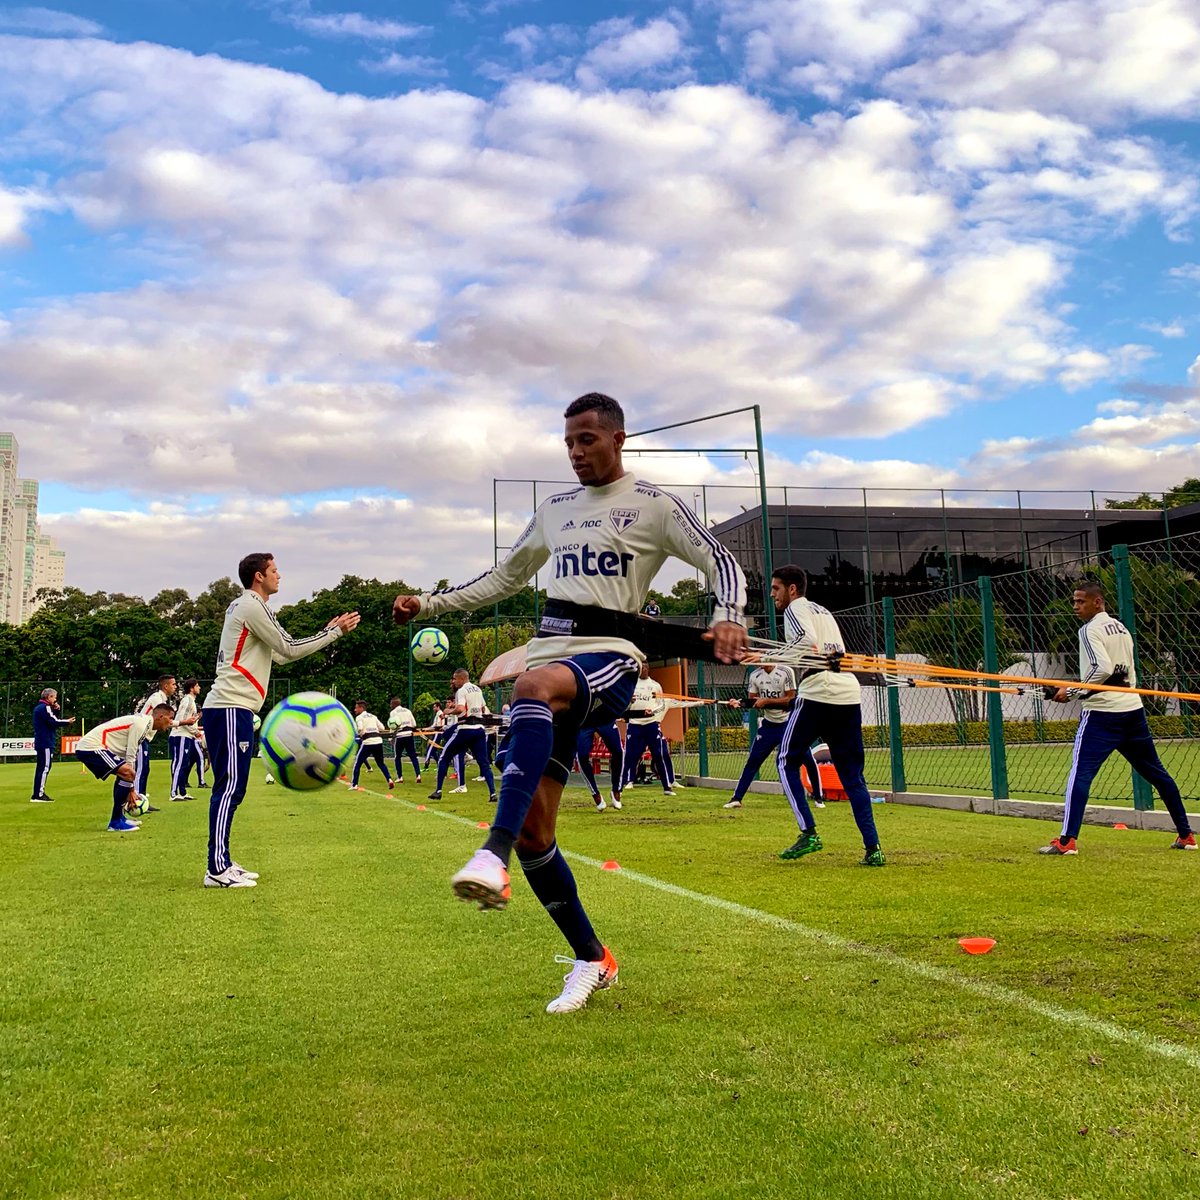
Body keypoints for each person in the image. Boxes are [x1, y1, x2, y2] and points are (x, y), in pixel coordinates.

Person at [393, 391, 747, 1013]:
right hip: (551, 661)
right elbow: (504, 577)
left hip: (610, 659)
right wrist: (429, 603)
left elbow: (720, 559)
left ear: (617, 439)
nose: (576, 453)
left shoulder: (655, 505)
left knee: (531, 688)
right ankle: (592, 959)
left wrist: (729, 616)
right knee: (538, 834)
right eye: (568, 444)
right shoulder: (554, 510)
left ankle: (490, 853)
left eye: (587, 440)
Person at [201, 552, 359, 888]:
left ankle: (222, 860)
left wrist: (326, 632)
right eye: (274, 570)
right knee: (229, 788)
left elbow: (280, 656)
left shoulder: (250, 608)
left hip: (234, 709)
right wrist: (334, 633)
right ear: (258, 576)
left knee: (233, 788)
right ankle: (216, 868)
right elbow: (289, 647)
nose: (279, 575)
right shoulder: (251, 605)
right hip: (229, 706)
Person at [1041, 581, 1195, 855]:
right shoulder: (1122, 629)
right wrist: (1074, 690)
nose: (1075, 606)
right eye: (1074, 601)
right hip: (1132, 710)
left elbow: (1102, 668)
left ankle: (1067, 841)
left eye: (1081, 601)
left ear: (1098, 602)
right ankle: (1186, 836)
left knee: (1080, 774)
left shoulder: (1089, 630)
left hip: (1102, 714)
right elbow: (1121, 672)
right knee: (1157, 774)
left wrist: (1072, 691)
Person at [773, 565, 885, 866]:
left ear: (792, 589)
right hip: (847, 692)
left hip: (818, 690)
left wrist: (772, 656)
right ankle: (873, 848)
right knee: (853, 776)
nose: (772, 595)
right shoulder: (823, 611)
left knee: (785, 760)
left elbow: (806, 641)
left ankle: (808, 832)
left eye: (776, 588)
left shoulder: (795, 608)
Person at [723, 663, 823, 810]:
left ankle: (818, 797)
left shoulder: (786, 671)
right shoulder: (755, 676)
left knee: (807, 759)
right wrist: (739, 703)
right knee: (753, 761)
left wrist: (766, 701)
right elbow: (754, 702)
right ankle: (736, 799)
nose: (759, 661)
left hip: (789, 724)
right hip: (769, 726)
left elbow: (790, 699)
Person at [75, 705, 175, 832]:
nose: (171, 722)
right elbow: (130, 757)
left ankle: (119, 818)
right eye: (170, 718)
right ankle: (115, 823)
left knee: (125, 774)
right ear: (161, 717)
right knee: (128, 773)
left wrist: (130, 786)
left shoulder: (144, 723)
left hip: (97, 747)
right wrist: (131, 789)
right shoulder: (141, 725)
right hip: (91, 747)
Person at [429, 669, 497, 801]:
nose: (453, 681)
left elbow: (460, 709)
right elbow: (483, 708)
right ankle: (493, 793)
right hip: (479, 729)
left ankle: (438, 791)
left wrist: (449, 711)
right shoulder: (478, 689)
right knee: (483, 762)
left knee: (444, 757)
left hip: (465, 729)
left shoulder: (461, 690)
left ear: (461, 678)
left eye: (455, 678)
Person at [622, 664, 674, 795]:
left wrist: (653, 711)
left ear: (648, 669)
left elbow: (661, 704)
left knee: (658, 754)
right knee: (630, 755)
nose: (643, 670)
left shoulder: (655, 685)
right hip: (634, 724)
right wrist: (629, 701)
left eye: (645, 667)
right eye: (640, 667)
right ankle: (628, 781)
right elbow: (623, 705)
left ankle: (667, 786)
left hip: (650, 723)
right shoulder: (631, 684)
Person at [135, 674, 177, 809]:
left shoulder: (162, 699)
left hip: (145, 738)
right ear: (165, 686)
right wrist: (182, 722)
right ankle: (136, 801)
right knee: (141, 769)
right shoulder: (157, 699)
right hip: (140, 736)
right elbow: (164, 720)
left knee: (145, 769)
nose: (176, 687)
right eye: (173, 684)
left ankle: (142, 800)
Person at [30, 688, 74, 803]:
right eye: (54, 697)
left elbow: (50, 721)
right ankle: (39, 795)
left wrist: (56, 710)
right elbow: (54, 722)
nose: (55, 699)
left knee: (41, 768)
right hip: (45, 741)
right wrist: (67, 722)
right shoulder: (45, 707)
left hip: (42, 741)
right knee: (45, 768)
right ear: (48, 697)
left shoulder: (40, 708)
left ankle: (37, 794)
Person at [574, 722, 625, 810]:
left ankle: (616, 790)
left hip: (605, 719)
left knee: (618, 752)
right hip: (585, 722)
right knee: (581, 755)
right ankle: (595, 793)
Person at [169, 678, 203, 801]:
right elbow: (182, 720)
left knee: (183, 764)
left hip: (186, 736)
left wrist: (195, 730)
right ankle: (173, 793)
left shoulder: (192, 701)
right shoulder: (188, 700)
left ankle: (182, 792)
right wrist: (195, 732)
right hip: (180, 735)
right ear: (192, 688)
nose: (199, 688)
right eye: (197, 686)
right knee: (179, 764)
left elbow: (190, 722)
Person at [351, 701, 394, 790]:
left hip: (368, 742)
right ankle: (389, 779)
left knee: (357, 764)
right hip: (378, 741)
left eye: (356, 708)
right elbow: (382, 727)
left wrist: (360, 733)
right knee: (381, 763)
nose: (355, 710)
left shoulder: (359, 717)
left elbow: (360, 728)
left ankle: (354, 785)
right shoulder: (373, 716)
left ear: (361, 708)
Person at [387, 696, 422, 783]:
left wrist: (390, 738)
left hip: (400, 736)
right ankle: (418, 775)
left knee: (397, 757)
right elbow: (414, 724)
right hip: (409, 735)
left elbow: (392, 727)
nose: (390, 705)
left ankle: (400, 777)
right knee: (413, 756)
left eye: (391, 704)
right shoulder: (408, 711)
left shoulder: (393, 713)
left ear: (394, 704)